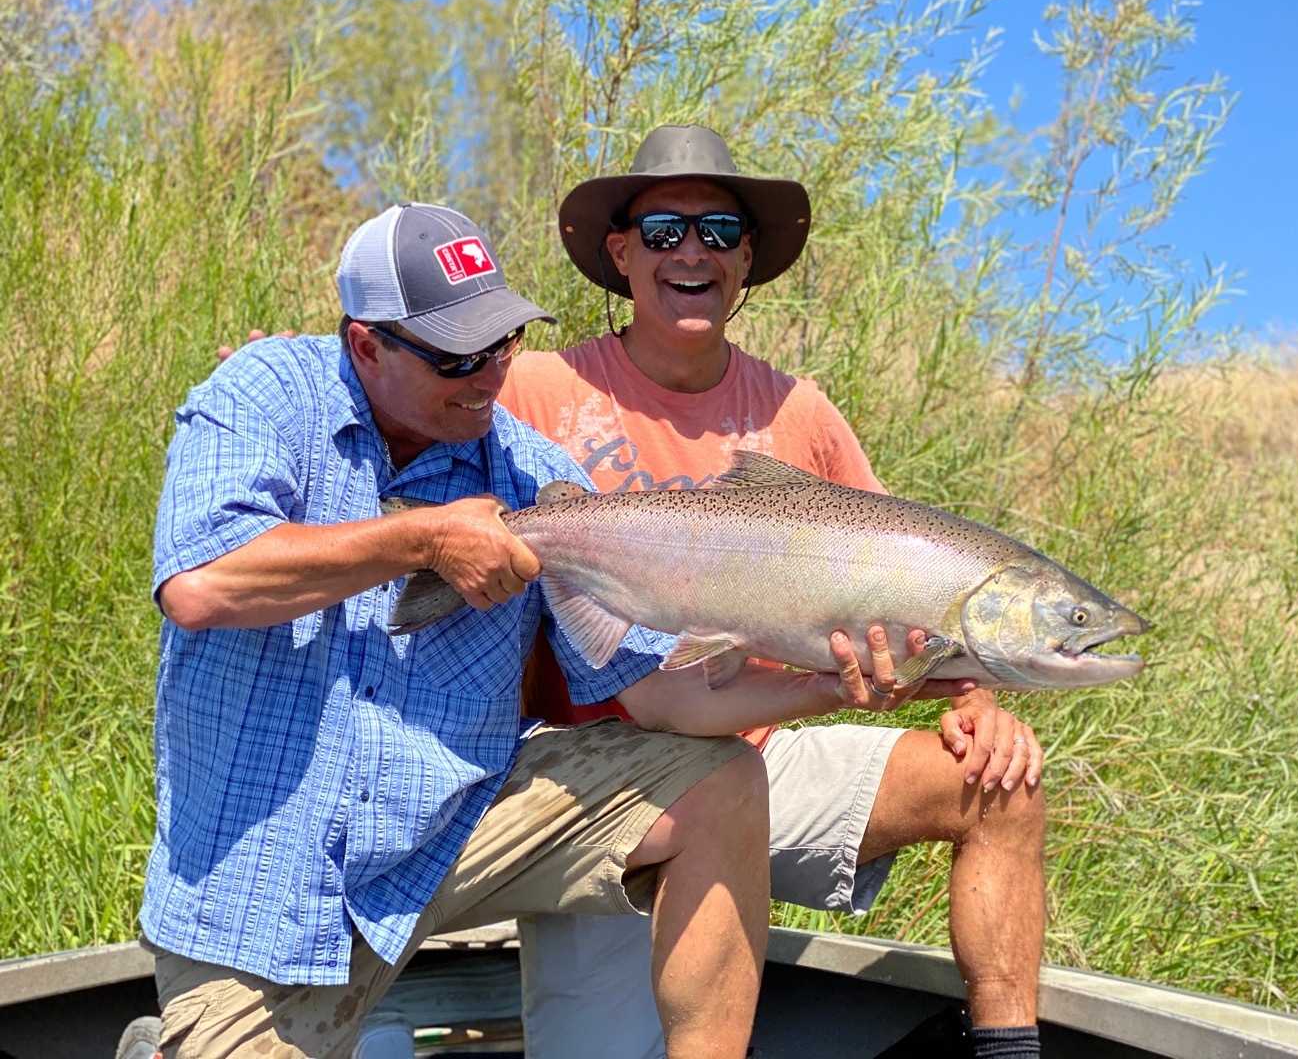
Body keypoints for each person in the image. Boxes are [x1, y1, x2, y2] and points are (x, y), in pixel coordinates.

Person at [148, 201, 949, 1059]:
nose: (490, 375)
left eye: (502, 342)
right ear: (366, 346)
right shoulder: (264, 392)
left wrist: (828, 685)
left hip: (454, 832)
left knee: (720, 779)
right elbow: (201, 587)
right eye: (457, 354)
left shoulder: (537, 477)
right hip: (264, 892)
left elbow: (664, 698)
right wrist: (422, 537)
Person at [498, 126, 1047, 1059]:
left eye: (719, 230)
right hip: (599, 776)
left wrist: (978, 699)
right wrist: (310, 398)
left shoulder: (800, 411)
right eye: (665, 229)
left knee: (998, 784)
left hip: (760, 752)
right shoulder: (536, 388)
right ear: (621, 253)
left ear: (746, 259)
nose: (693, 250)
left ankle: (1010, 1052)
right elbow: (420, 450)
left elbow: (915, 578)